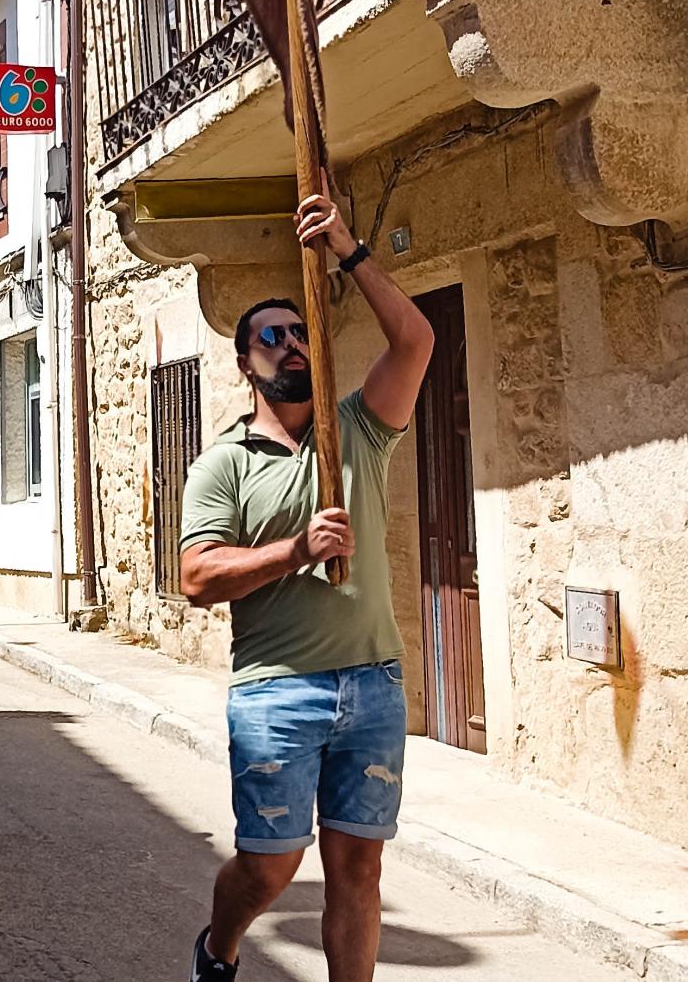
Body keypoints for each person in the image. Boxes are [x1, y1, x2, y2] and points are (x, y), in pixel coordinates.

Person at [179, 188, 434, 982]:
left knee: (360, 872)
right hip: (275, 691)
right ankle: (219, 946)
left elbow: (416, 338)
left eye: (299, 332)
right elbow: (196, 575)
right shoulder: (223, 462)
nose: (290, 344)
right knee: (270, 868)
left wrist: (349, 251)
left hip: (374, 681)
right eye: (272, 336)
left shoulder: (357, 426)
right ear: (244, 359)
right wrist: (294, 550)